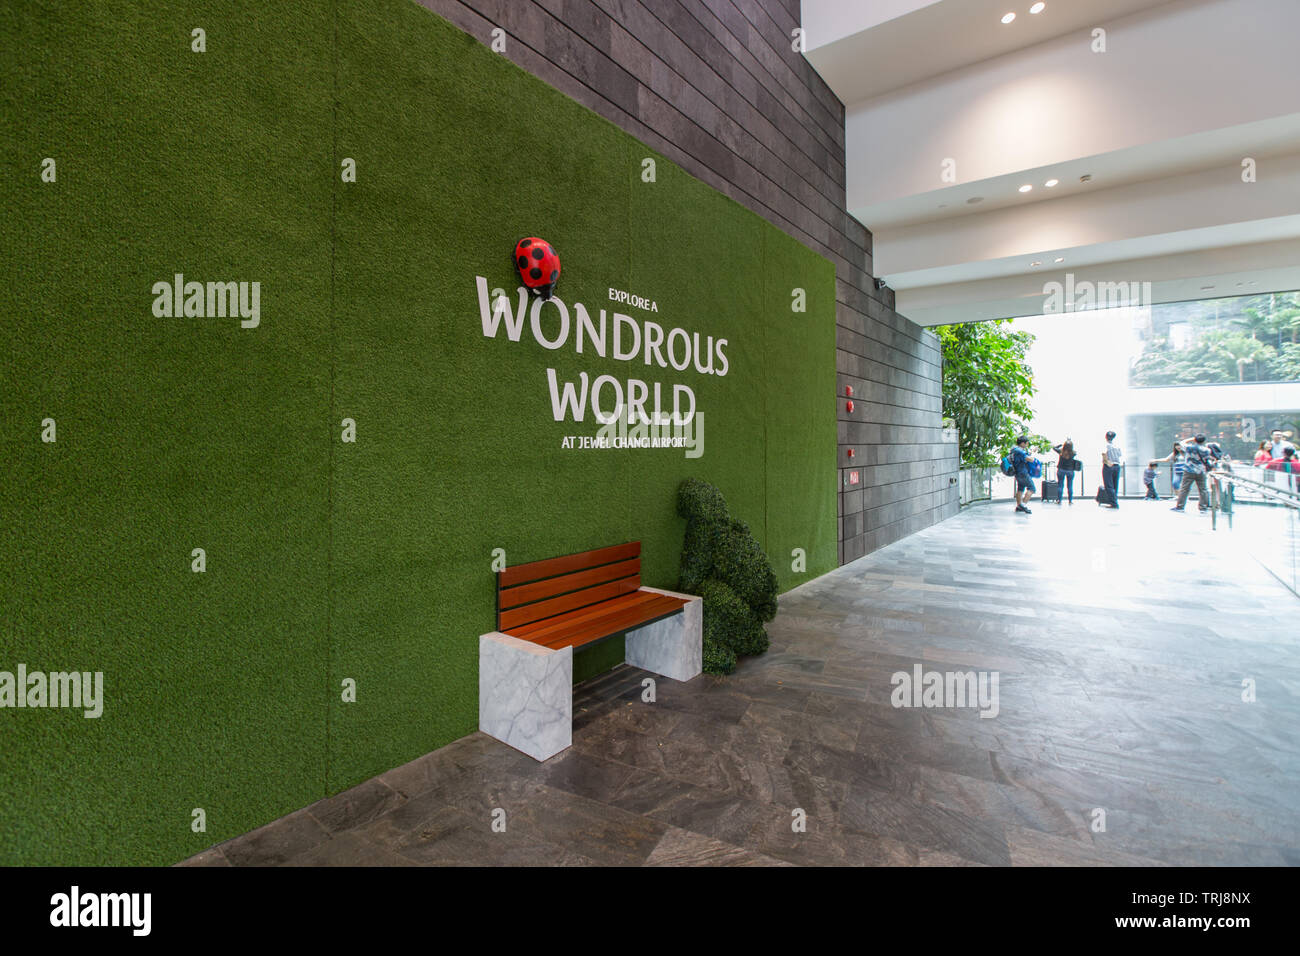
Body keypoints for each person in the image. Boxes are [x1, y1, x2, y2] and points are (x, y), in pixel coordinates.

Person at [1171, 434, 1213, 513]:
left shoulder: (1189, 447)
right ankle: (1203, 507)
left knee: (1184, 489)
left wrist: (1191, 439)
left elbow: (1182, 442)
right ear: (1204, 441)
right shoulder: (1207, 450)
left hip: (1189, 470)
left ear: (1195, 440)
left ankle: (1180, 506)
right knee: (1203, 489)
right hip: (1201, 471)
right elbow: (1207, 459)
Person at [1010, 435, 1035, 515]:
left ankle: (1018, 506)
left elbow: (1024, 456)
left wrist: (1030, 452)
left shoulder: (1014, 450)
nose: (1027, 445)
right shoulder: (1020, 451)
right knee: (1031, 488)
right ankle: (1022, 505)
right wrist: (1033, 454)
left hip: (1017, 472)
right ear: (1023, 443)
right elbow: (1030, 459)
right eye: (1027, 443)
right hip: (1023, 472)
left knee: (1020, 488)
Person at [1100, 430, 1122, 508]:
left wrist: (1106, 461)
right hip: (1117, 466)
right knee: (1115, 485)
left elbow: (1104, 453)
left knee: (1109, 485)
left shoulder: (1106, 445)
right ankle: (1114, 501)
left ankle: (1114, 503)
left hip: (1109, 466)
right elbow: (1119, 455)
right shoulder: (1117, 446)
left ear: (1106, 437)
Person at [1052, 438, 1078, 504]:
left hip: (1061, 470)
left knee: (1060, 485)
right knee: (1070, 486)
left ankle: (1059, 500)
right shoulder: (1073, 453)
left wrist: (1060, 445)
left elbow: (1054, 448)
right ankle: (1070, 501)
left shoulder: (1061, 451)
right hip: (1070, 471)